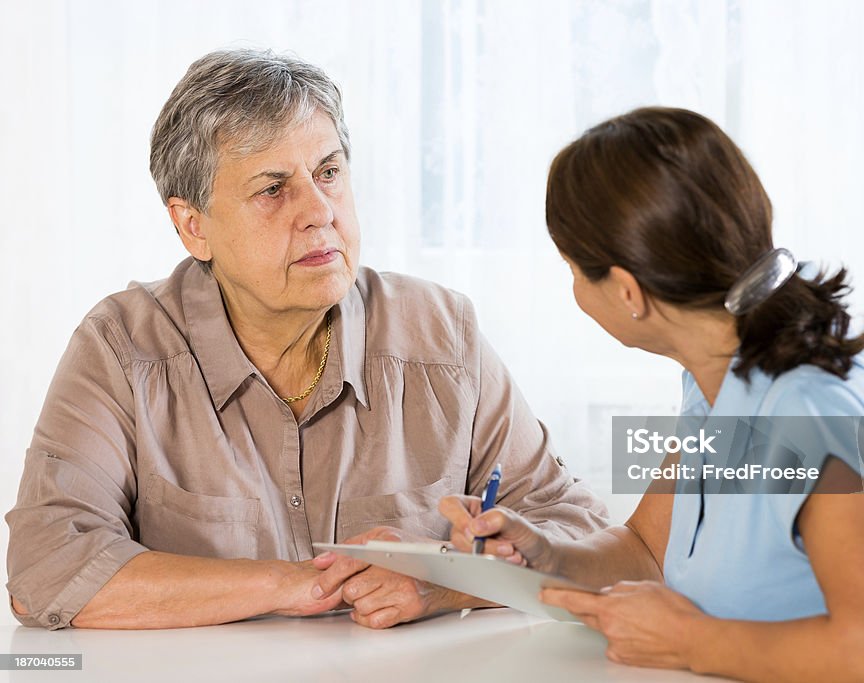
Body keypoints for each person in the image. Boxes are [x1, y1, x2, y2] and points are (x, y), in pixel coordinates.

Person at [5, 48, 608, 631]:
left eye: (328, 173)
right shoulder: (121, 348)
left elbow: (579, 532)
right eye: (273, 189)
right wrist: (304, 584)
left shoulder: (441, 333)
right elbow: (47, 568)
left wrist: (447, 583)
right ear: (193, 227)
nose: (319, 211)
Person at [441, 107, 864, 682]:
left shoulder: (810, 414)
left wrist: (687, 639)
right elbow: (647, 550)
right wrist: (544, 554)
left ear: (626, 292)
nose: (573, 289)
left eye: (573, 270)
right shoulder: (717, 369)